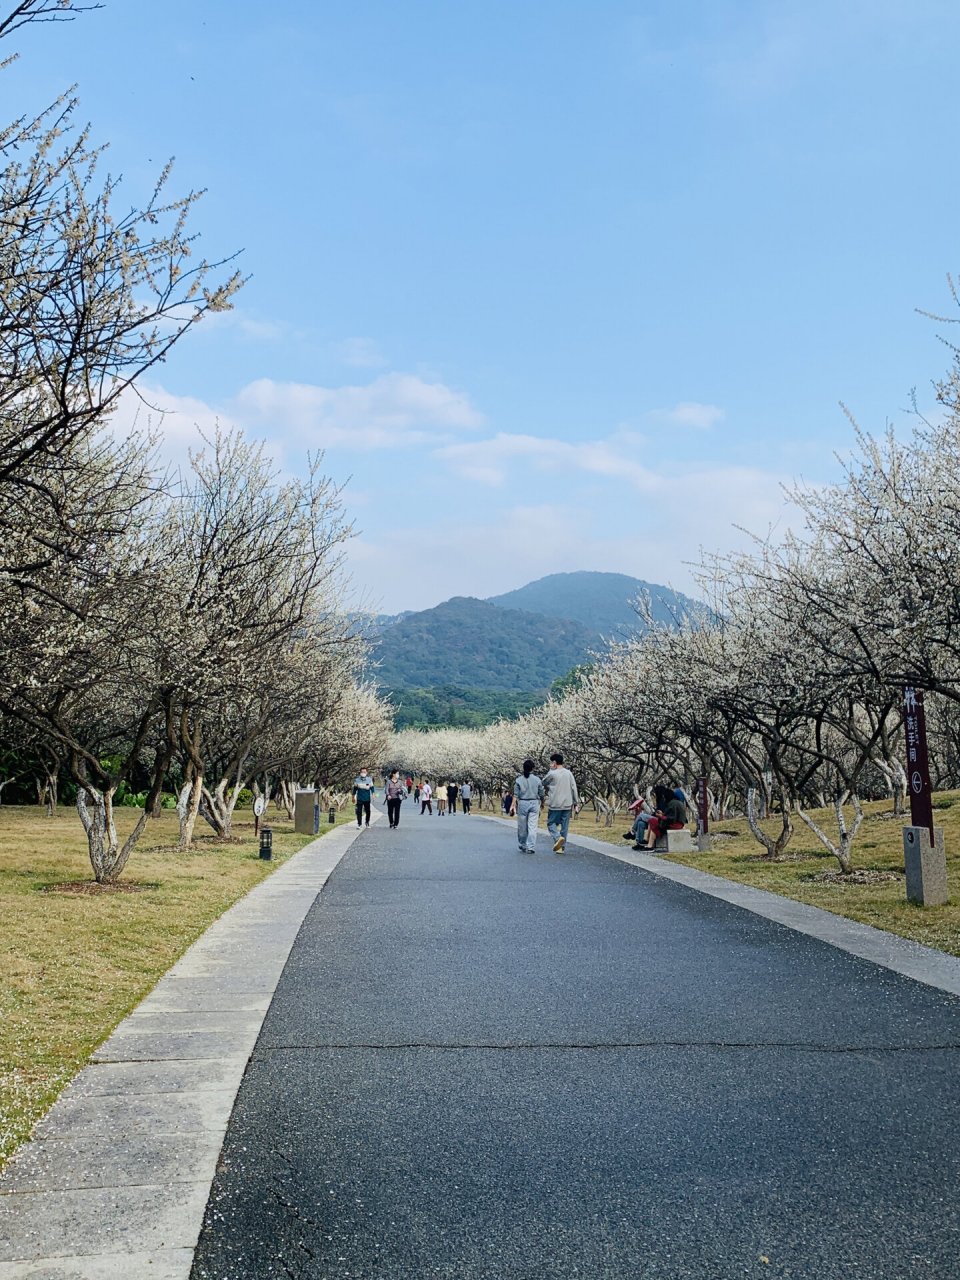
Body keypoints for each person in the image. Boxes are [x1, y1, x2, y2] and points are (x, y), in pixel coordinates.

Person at [543, 751, 580, 854]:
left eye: (551, 762)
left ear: (554, 762)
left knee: (551, 823)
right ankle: (561, 848)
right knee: (565, 826)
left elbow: (543, 782)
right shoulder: (569, 773)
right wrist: (576, 802)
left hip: (555, 803)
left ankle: (557, 838)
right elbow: (574, 788)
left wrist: (550, 770)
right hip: (567, 804)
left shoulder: (552, 773)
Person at [510, 758, 545, 854]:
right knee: (532, 826)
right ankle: (531, 846)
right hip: (534, 803)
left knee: (522, 826)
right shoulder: (537, 780)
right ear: (532, 768)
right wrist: (542, 802)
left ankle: (522, 844)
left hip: (523, 803)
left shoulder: (519, 780)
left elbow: (515, 795)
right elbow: (541, 793)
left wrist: (512, 806)